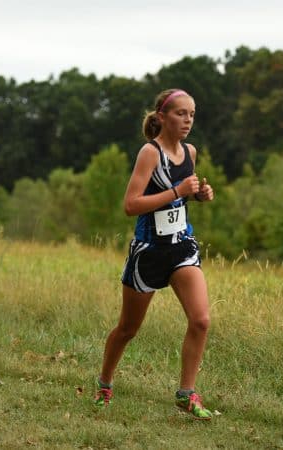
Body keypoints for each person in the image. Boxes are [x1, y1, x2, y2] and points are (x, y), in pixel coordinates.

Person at [94, 88, 215, 420]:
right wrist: (177, 190)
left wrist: (200, 195)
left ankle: (186, 394)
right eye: (181, 113)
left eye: (192, 114)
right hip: (148, 253)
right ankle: (104, 383)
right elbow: (131, 205)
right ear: (162, 117)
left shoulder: (190, 152)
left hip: (181, 248)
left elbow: (180, 202)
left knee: (201, 320)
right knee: (128, 329)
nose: (188, 120)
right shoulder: (150, 153)